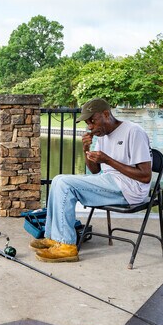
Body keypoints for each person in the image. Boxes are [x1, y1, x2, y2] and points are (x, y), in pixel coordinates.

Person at [31, 98, 152, 263]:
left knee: (65, 184)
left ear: (106, 114)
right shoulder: (102, 135)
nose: (90, 126)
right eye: (87, 123)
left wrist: (108, 160)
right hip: (109, 182)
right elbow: (95, 170)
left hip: (129, 189)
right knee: (58, 180)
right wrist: (86, 149)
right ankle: (54, 238)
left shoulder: (133, 131)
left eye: (92, 121)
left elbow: (145, 176)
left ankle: (67, 246)